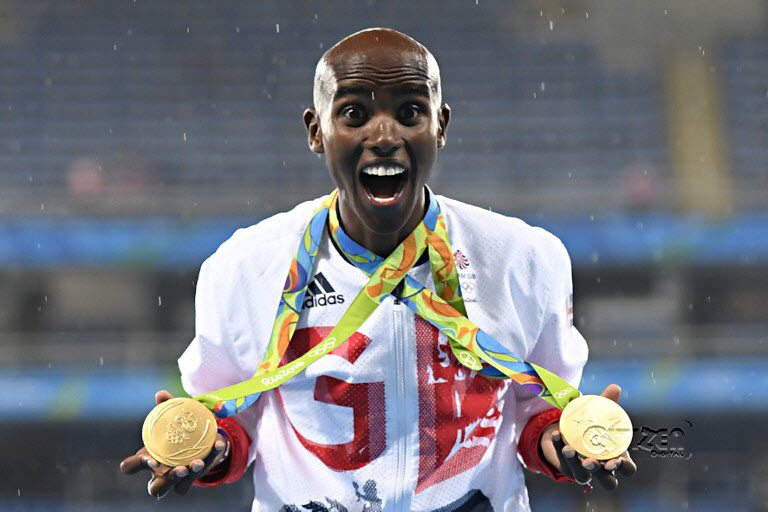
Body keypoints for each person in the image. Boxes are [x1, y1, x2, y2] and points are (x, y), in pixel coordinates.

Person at [120, 28, 636, 511]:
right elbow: (234, 419)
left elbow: (535, 409)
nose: (384, 133)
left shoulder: (523, 258)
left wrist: (560, 440)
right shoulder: (244, 267)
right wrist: (205, 448)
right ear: (316, 131)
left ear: (441, 126)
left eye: (411, 111)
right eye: (354, 113)